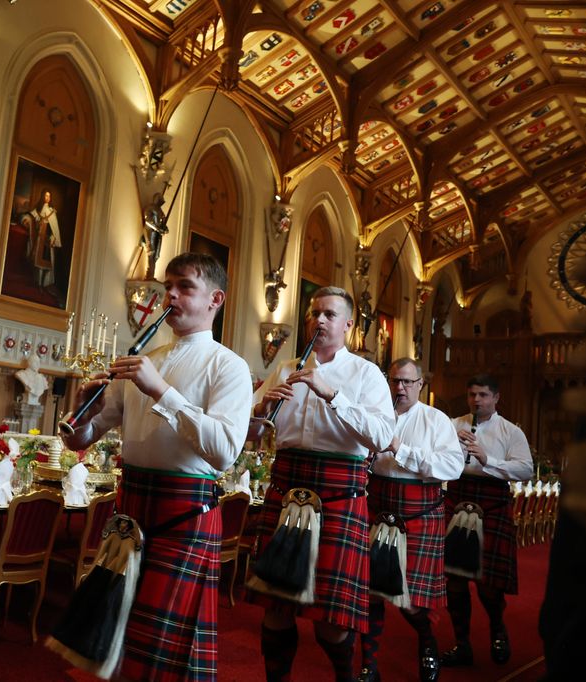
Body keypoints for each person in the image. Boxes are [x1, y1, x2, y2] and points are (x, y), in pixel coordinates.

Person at [60, 252, 253, 681]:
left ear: (214, 299)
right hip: (131, 511)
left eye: (185, 286)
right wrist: (82, 417)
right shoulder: (149, 359)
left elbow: (224, 451)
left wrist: (160, 391)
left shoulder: (229, 366)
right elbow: (81, 441)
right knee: (117, 642)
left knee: (159, 660)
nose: (170, 294)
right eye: (169, 285)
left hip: (185, 515)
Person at [248, 286, 394, 682]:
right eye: (315, 313)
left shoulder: (366, 375)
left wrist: (332, 395)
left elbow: (381, 437)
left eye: (330, 314)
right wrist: (260, 411)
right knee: (276, 608)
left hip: (339, 493)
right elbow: (249, 434)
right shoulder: (285, 368)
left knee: (332, 618)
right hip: (286, 484)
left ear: (348, 324)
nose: (320, 320)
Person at [359, 358, 464, 682]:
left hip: (419, 511)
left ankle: (428, 643)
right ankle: (368, 664)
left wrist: (400, 449)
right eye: (394, 381)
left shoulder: (437, 421)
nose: (399, 388)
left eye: (406, 382)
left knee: (412, 600)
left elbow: (451, 468)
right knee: (371, 591)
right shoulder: (376, 416)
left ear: (421, 383)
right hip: (378, 505)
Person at [441, 374, 532, 668]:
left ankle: (497, 629)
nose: (476, 400)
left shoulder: (510, 431)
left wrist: (487, 458)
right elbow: (437, 458)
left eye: (482, 395)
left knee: (487, 583)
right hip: (457, 495)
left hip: (491, 500)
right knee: (454, 578)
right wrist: (453, 448)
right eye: (472, 395)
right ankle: (462, 643)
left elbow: (525, 470)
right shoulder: (453, 425)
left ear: (496, 398)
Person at [27, 189, 61, 288]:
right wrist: (39, 222)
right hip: (40, 237)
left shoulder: (52, 211)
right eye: (46, 196)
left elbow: (54, 228)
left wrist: (53, 237)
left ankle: (43, 284)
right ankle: (37, 283)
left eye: (49, 196)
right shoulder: (41, 208)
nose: (47, 198)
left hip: (48, 239)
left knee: (46, 262)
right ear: (43, 197)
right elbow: (39, 221)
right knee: (38, 261)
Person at [142, 191, 167, 281]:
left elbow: (162, 224)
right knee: (151, 252)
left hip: (158, 234)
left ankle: (151, 275)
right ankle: (149, 275)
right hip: (150, 232)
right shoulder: (150, 208)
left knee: (156, 255)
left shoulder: (160, 211)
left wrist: (164, 229)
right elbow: (148, 221)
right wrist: (157, 228)